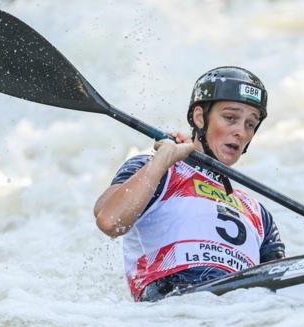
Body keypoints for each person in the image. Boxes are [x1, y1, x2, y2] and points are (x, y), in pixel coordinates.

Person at [94, 66, 285, 302]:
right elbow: (110, 221)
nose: (241, 132)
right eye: (230, 118)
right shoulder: (157, 173)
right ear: (199, 118)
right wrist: (164, 158)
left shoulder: (259, 213)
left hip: (235, 316)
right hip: (173, 309)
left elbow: (280, 291)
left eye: (250, 124)